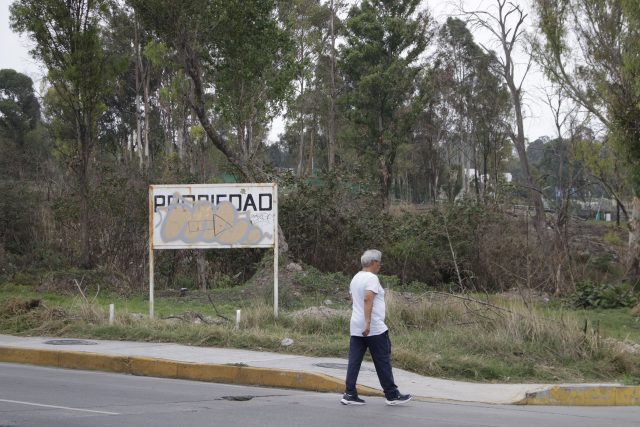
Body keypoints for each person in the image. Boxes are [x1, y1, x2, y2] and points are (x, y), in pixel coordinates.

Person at [341, 249, 411, 406]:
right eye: (379, 263)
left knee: (354, 360)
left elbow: (353, 299)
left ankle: (349, 393)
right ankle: (392, 395)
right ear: (374, 263)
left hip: (356, 325)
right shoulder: (371, 278)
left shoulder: (355, 278)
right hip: (373, 328)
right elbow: (367, 299)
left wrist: (361, 320)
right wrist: (368, 322)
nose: (380, 266)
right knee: (382, 360)